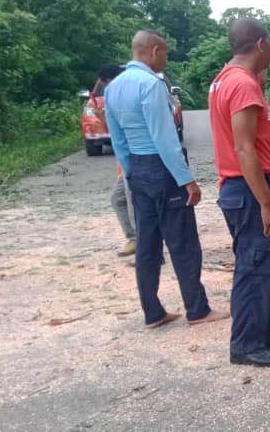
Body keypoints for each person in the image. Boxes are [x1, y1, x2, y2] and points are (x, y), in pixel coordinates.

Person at [105, 30, 228, 329]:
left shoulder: (114, 87)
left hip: (136, 168)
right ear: (154, 50)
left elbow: (117, 137)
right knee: (183, 242)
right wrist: (187, 180)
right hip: (162, 170)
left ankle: (153, 312)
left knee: (147, 244)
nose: (166, 59)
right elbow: (164, 137)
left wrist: (130, 170)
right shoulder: (150, 84)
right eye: (166, 54)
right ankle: (197, 310)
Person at [209, 19, 270, 367]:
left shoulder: (223, 79)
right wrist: (267, 203)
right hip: (248, 189)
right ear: (261, 43)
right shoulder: (243, 85)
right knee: (254, 265)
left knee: (261, 260)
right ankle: (246, 344)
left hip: (238, 188)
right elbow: (245, 149)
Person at [92, 64, 136, 257]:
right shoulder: (115, 96)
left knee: (133, 203)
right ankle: (135, 239)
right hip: (126, 162)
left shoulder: (124, 95)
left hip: (135, 162)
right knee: (118, 199)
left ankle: (147, 247)